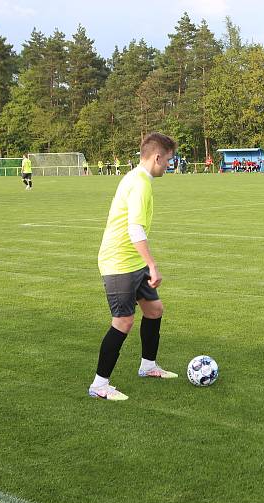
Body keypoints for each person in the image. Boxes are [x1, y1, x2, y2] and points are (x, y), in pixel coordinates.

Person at [90, 132, 179, 401]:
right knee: (124, 320)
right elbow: (135, 228)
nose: (169, 166)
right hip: (119, 261)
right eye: (168, 161)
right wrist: (152, 264)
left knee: (154, 310)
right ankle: (99, 384)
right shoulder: (140, 183)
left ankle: (148, 366)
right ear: (157, 157)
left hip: (133, 260)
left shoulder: (138, 178)